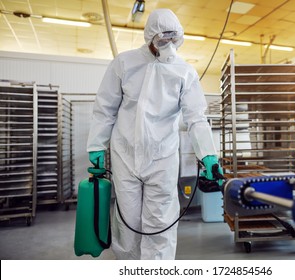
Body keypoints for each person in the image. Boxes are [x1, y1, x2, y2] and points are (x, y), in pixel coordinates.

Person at [86, 8, 223, 260]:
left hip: (162, 157)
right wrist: (96, 145)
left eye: (173, 39)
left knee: (160, 223)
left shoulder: (184, 71)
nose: (168, 45)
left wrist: (208, 155)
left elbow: (196, 117)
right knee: (127, 222)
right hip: (125, 154)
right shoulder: (124, 63)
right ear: (150, 37)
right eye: (162, 40)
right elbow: (104, 108)